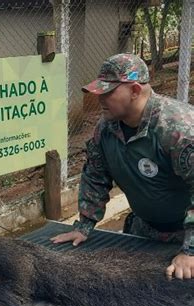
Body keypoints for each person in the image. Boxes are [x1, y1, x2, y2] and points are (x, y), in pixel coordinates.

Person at [51, 53, 193, 280]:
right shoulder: (106, 128)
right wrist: (84, 226)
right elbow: (95, 175)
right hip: (144, 230)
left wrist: (190, 250)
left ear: (135, 91)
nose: (99, 98)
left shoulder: (179, 130)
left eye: (108, 92)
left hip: (185, 237)